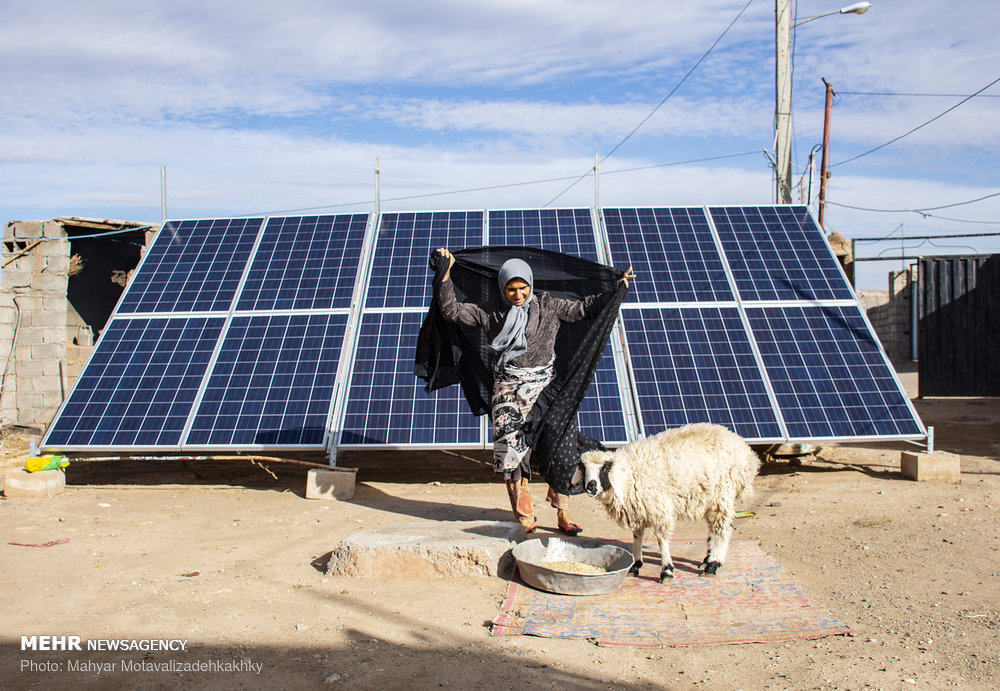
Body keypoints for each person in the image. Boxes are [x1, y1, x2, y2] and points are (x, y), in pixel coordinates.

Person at [434, 248, 634, 534]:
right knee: (512, 451)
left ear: (530, 284)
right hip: (508, 389)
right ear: (503, 288)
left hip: (546, 389)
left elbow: (583, 308)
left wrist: (615, 290)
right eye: (511, 289)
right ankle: (523, 511)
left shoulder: (548, 305)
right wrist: (446, 271)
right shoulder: (490, 312)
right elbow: (451, 311)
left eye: (523, 287)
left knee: (560, 448)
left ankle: (562, 511)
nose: (518, 294)